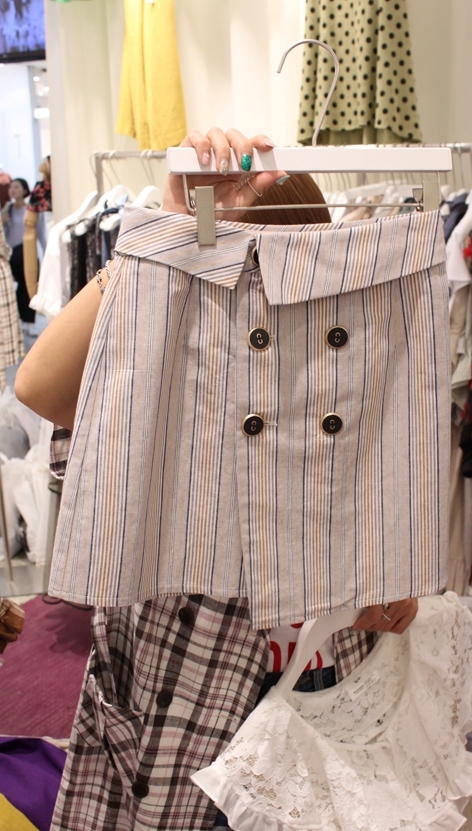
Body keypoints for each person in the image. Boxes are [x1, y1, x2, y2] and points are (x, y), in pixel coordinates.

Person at [15, 128, 432, 831]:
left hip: (316, 702)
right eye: (240, 262)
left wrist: (391, 580)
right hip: (178, 713)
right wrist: (168, 237)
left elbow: (389, 513)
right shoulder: (167, 375)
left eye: (284, 266)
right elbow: (41, 387)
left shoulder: (350, 374)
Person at [1, 177, 35, 324]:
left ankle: (28, 320)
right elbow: (4, 235)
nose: (12, 190)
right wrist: (3, 222)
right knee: (14, 287)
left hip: (26, 252)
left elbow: (39, 233)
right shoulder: (7, 209)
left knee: (27, 286)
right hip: (11, 253)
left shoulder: (30, 210)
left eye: (16, 187)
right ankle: (19, 319)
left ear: (24, 190)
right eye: (11, 187)